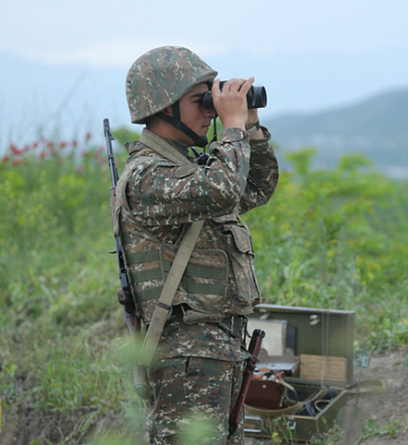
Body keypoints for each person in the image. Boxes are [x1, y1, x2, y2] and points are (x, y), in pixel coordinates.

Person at [115, 45, 279, 444]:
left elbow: (254, 188)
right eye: (200, 100)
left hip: (214, 350)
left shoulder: (187, 171)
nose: (212, 110)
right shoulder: (147, 178)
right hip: (185, 357)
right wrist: (234, 128)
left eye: (213, 98)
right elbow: (222, 191)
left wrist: (251, 126)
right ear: (161, 107)